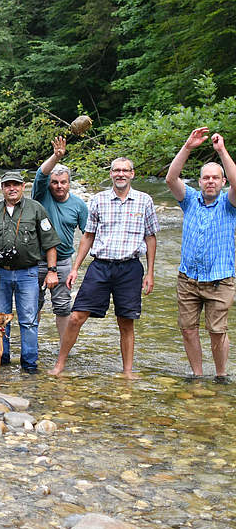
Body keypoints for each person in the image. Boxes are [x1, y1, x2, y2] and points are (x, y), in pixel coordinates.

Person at [49, 157, 159, 378]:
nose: (120, 174)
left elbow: (151, 237)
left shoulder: (144, 200)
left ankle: (127, 371)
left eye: (125, 171)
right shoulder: (99, 200)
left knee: (126, 321)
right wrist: (75, 268)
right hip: (100, 266)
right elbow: (87, 236)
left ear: (132, 174)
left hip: (130, 268)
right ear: (110, 174)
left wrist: (150, 273)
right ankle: (59, 365)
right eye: (116, 170)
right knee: (76, 317)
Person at [165, 128, 236, 382]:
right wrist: (187, 147)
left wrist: (221, 151)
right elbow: (171, 179)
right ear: (200, 181)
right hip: (188, 280)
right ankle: (197, 374)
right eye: (206, 177)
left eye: (215, 178)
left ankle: (220, 375)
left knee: (217, 331)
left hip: (219, 280)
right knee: (188, 330)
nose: (210, 181)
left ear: (223, 181)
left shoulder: (230, 204)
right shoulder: (190, 200)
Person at [0, 171, 60, 373]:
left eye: (16, 185)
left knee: (28, 320)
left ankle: (29, 364)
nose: (12, 188)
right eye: (7, 185)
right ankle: (1, 359)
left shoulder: (36, 209)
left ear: (23, 186)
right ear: (2, 188)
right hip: (0, 273)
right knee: (0, 320)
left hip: (28, 273)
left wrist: (52, 270)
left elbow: (50, 243)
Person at [32, 137, 89, 343]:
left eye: (63, 182)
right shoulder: (41, 195)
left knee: (63, 307)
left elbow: (88, 235)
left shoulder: (79, 205)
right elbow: (41, 175)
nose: (58, 186)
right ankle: (32, 346)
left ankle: (64, 350)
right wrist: (56, 157)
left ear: (69, 183)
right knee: (33, 305)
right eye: (55, 182)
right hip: (35, 261)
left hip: (64, 262)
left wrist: (76, 266)